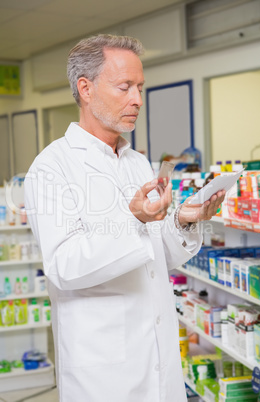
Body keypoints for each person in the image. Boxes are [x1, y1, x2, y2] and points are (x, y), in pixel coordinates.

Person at [24, 34, 225, 402]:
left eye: (140, 87)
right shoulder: (51, 169)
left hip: (160, 360)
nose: (136, 99)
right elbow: (63, 266)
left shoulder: (135, 162)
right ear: (85, 88)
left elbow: (153, 255)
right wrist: (131, 218)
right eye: (124, 87)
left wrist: (180, 220)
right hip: (103, 374)